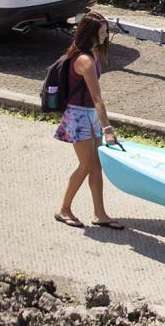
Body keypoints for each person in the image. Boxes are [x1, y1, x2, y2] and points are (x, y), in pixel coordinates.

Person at [54, 12, 123, 230]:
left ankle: (99, 214)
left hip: (88, 115)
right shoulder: (85, 60)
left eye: (106, 31)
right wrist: (108, 129)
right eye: (102, 32)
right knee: (86, 166)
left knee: (96, 166)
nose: (105, 35)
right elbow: (97, 99)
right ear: (92, 33)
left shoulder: (90, 53)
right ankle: (63, 209)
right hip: (79, 116)